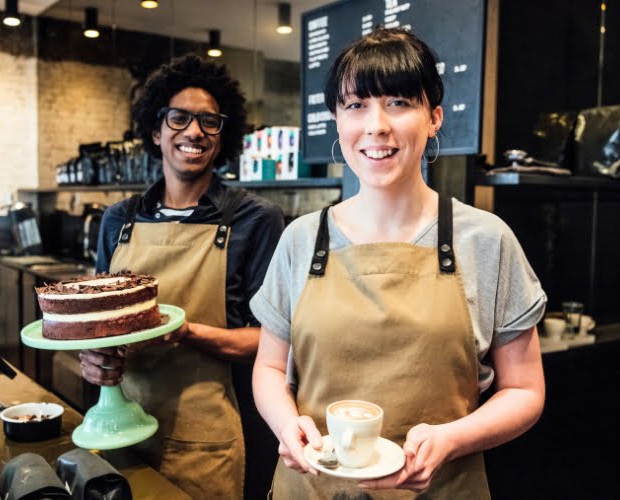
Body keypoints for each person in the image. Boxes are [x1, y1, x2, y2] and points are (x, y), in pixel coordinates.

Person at [251, 27, 546, 499]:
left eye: (399, 103)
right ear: (337, 121)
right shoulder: (301, 239)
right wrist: (287, 425)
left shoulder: (487, 240)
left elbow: (526, 391)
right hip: (310, 488)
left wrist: (451, 440)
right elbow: (268, 368)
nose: (376, 125)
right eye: (356, 106)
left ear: (434, 117)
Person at [79, 55, 284, 500]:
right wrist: (92, 360)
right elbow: (94, 326)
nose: (194, 132)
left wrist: (183, 331)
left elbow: (274, 341)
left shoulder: (255, 219)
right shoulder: (119, 220)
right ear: (156, 131)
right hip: (120, 428)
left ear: (222, 136)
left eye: (209, 121)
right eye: (179, 118)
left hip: (207, 437)